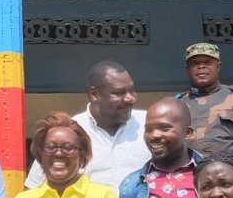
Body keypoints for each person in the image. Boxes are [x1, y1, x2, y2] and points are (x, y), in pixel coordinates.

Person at [26, 60, 150, 190]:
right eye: (119, 93)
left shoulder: (148, 125)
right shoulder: (70, 133)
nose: (130, 98)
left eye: (132, 90)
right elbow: (33, 188)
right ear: (94, 94)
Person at [177, 42, 233, 160]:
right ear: (187, 69)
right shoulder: (177, 104)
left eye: (208, 62)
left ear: (218, 66)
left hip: (230, 172)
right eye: (195, 63)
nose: (201, 67)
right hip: (191, 173)